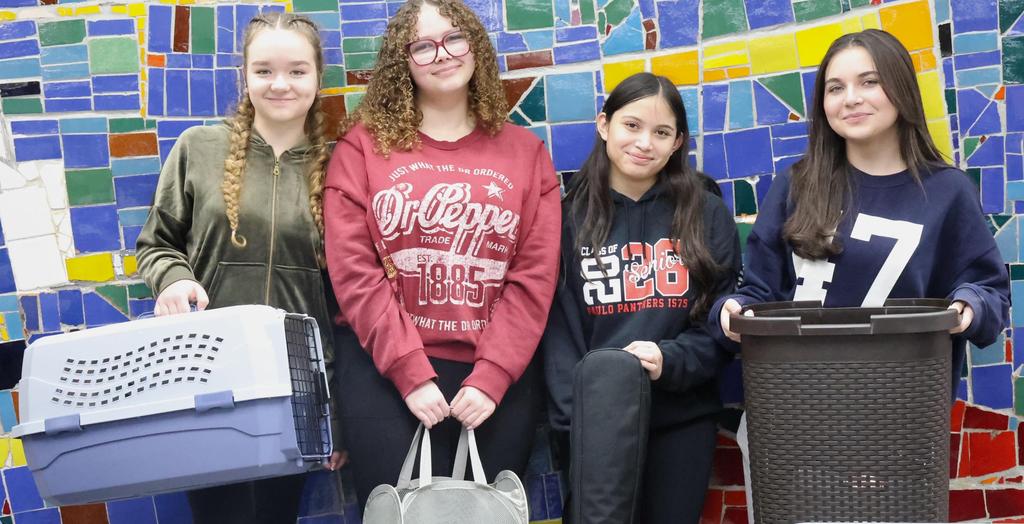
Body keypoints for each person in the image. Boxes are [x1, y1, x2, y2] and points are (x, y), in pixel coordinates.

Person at [707, 29, 1011, 523]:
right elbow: (758, 291)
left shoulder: (947, 191)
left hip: (896, 431)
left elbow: (990, 293)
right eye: (835, 87)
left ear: (900, 88)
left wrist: (966, 308)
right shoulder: (795, 184)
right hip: (792, 429)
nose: (851, 99)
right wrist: (731, 311)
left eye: (868, 82)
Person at [322, 0, 561, 508]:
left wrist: (493, 376)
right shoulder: (362, 149)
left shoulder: (526, 153)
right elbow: (354, 271)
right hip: (383, 377)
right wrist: (408, 371)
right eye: (423, 45)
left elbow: (534, 278)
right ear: (402, 62)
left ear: (475, 46)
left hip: (497, 380)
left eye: (455, 38)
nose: (442, 54)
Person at [135, 12, 345, 524]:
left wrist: (334, 407)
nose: (280, 84)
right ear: (244, 77)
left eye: (297, 71)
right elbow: (155, 244)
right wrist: (174, 278)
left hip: (297, 389)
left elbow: (348, 299)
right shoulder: (197, 149)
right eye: (264, 70)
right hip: (206, 377)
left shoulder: (341, 166)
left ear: (318, 78)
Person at [542, 72, 742, 524]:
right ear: (604, 124)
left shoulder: (706, 212)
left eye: (662, 132)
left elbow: (722, 321)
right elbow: (557, 330)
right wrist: (574, 420)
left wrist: (670, 360)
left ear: (677, 143)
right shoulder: (565, 219)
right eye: (632, 125)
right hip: (594, 424)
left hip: (681, 416)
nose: (644, 142)